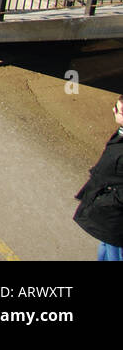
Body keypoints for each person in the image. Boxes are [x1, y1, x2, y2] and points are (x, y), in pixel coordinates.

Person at [73, 95, 123, 260]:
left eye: (118, 110)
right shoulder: (121, 133)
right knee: (105, 249)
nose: (113, 110)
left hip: (115, 217)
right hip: (109, 215)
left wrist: (106, 200)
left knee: (114, 253)